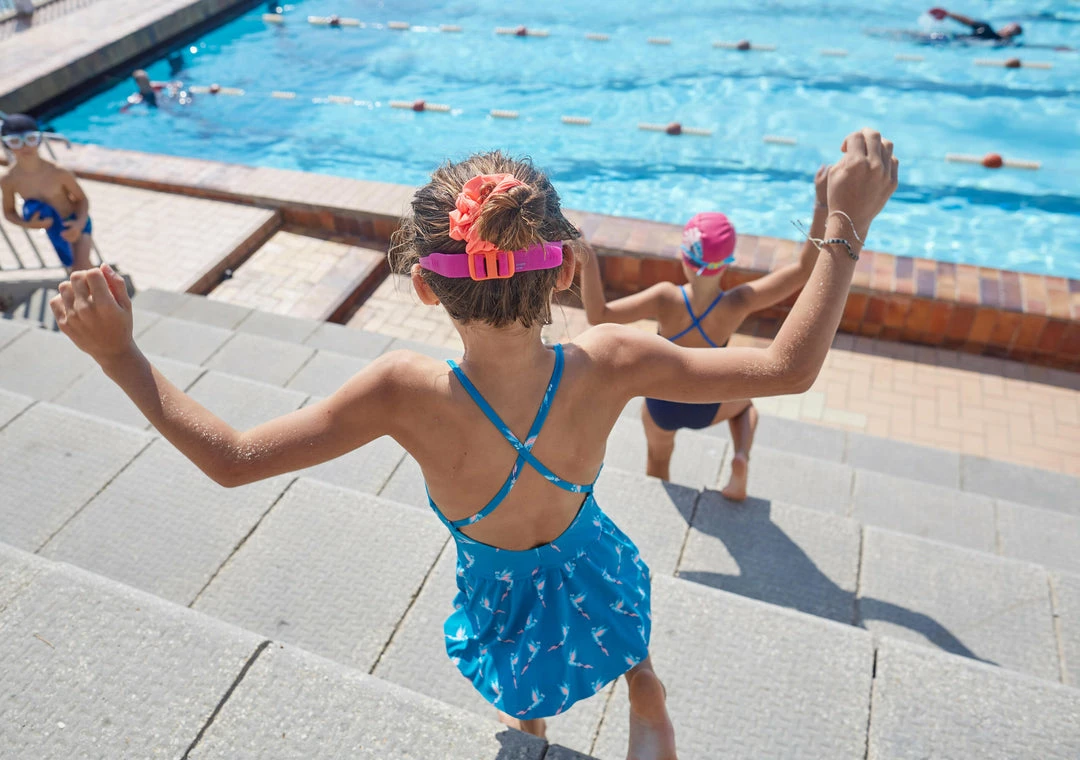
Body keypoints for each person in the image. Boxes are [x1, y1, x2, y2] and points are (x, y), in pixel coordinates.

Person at [47, 130, 897, 758]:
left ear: (424, 287)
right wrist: (843, 222)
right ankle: (646, 692)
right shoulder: (612, 359)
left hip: (500, 591)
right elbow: (788, 368)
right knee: (620, 623)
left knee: (525, 689)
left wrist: (121, 356)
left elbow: (231, 460)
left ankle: (533, 735)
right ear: (567, 271)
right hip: (589, 552)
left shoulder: (400, 392)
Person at [578, 167, 831, 500]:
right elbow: (803, 270)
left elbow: (598, 315)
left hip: (662, 402)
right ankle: (740, 456)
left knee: (657, 461)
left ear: (685, 258)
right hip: (708, 401)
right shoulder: (738, 303)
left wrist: (587, 258)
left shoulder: (665, 298)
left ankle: (657, 501)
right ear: (726, 263)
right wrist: (822, 204)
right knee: (745, 407)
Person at [1, 114, 94, 271]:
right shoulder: (9, 179)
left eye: (30, 139)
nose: (24, 146)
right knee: (75, 271)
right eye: (15, 141)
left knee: (82, 267)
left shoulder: (58, 172)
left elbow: (81, 199)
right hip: (54, 229)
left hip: (75, 220)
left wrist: (79, 224)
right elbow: (9, 213)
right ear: (6, 144)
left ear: (38, 139)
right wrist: (29, 224)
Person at [927, 8, 1023, 43]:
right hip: (951, 39)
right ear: (1004, 27)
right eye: (1011, 28)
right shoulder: (986, 29)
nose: (1010, 31)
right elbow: (968, 21)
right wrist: (948, 14)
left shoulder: (1004, 43)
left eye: (1014, 30)